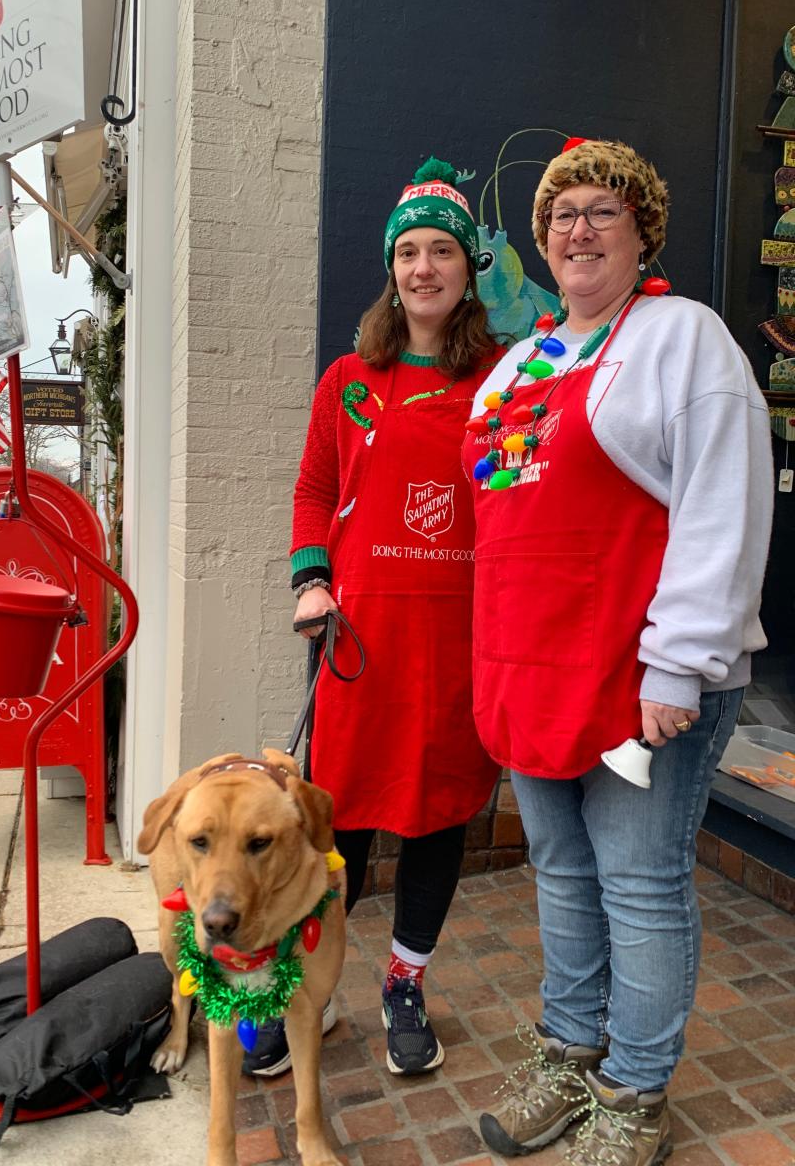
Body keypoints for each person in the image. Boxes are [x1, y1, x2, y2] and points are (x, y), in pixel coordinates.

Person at [463, 138, 773, 1166]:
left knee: (638, 881)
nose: (578, 228)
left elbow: (722, 510)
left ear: (644, 229)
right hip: (533, 671)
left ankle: (635, 1090)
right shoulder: (520, 362)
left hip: (641, 680)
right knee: (559, 868)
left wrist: (679, 662)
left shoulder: (686, 341)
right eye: (561, 215)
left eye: (603, 209)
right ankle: (569, 1047)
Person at [241, 157, 502, 1080]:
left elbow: (518, 502)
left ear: (469, 269)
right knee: (334, 828)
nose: (423, 268)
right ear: (391, 269)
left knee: (434, 821)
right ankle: (300, 995)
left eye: (441, 251)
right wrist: (312, 583)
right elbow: (314, 491)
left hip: (455, 647)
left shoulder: (503, 380)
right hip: (360, 646)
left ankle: (404, 983)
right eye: (409, 252)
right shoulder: (350, 380)